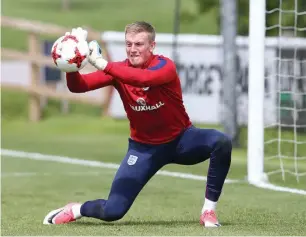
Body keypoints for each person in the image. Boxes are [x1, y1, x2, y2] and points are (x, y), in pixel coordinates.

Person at [43, 22, 232, 228]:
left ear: (152, 46)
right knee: (112, 211)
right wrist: (71, 64)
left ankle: (208, 212)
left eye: (139, 44)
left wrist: (104, 64)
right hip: (144, 150)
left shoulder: (165, 66)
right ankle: (75, 209)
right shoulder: (118, 70)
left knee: (220, 142)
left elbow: (144, 79)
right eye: (129, 44)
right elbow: (78, 87)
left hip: (181, 140)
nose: (133, 49)